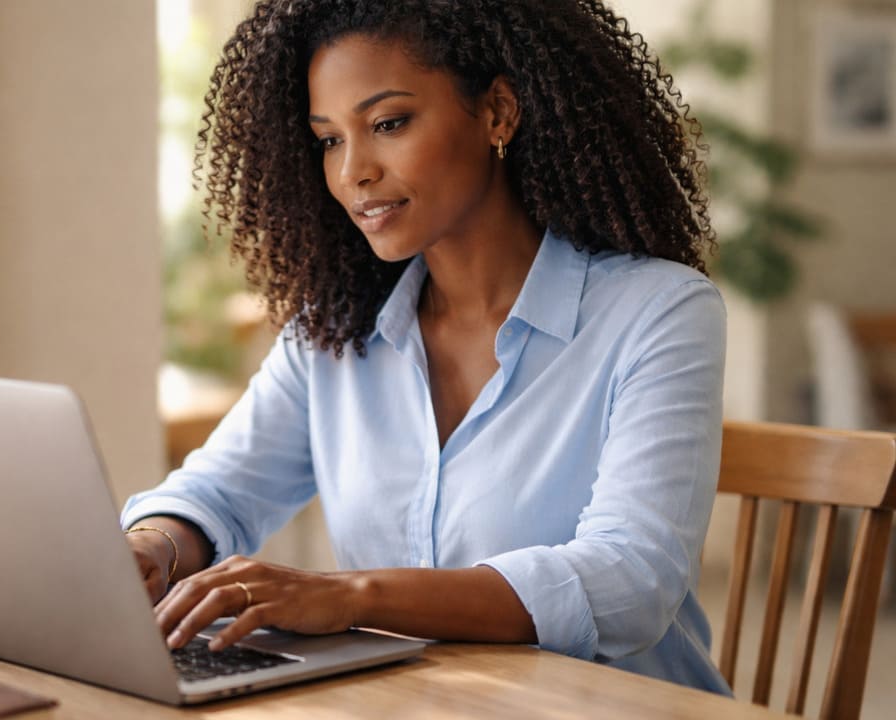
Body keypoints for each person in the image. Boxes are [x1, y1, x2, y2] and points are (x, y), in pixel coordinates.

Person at [121, 0, 730, 695]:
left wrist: (351, 595)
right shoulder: (334, 333)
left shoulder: (657, 311)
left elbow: (631, 579)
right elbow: (219, 492)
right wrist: (153, 546)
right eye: (328, 139)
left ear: (498, 112)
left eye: (387, 124)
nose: (354, 171)